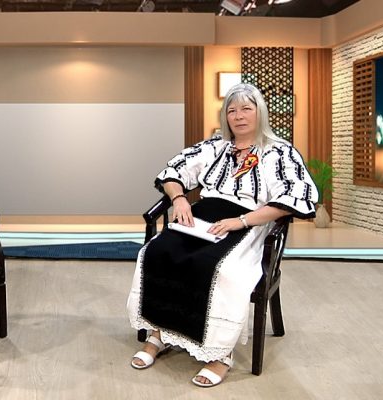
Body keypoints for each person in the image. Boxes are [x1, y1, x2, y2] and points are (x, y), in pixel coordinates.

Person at [127, 83, 318, 388]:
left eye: (246, 109)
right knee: (158, 252)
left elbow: (296, 198)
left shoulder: (280, 151)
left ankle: (219, 354)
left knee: (220, 268)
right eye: (232, 110)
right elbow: (173, 172)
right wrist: (179, 199)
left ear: (260, 112)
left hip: (250, 222)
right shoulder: (216, 146)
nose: (238, 116)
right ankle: (158, 334)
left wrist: (241, 221)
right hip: (203, 216)